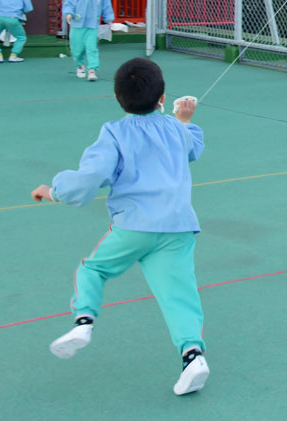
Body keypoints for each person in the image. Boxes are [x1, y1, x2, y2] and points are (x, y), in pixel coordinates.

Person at [31, 58, 209, 395]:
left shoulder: (114, 132)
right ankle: (193, 356)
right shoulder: (176, 128)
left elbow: (90, 178)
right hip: (178, 227)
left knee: (93, 269)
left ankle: (83, 322)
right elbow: (192, 149)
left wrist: (55, 191)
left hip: (134, 227)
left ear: (116, 97)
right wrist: (184, 120)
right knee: (179, 295)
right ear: (163, 98)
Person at [63, 0, 114, 81]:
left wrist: (109, 20)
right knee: (77, 50)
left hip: (92, 25)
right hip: (77, 25)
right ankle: (80, 66)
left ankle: (92, 70)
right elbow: (69, 4)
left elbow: (106, 6)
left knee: (92, 48)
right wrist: (69, 13)